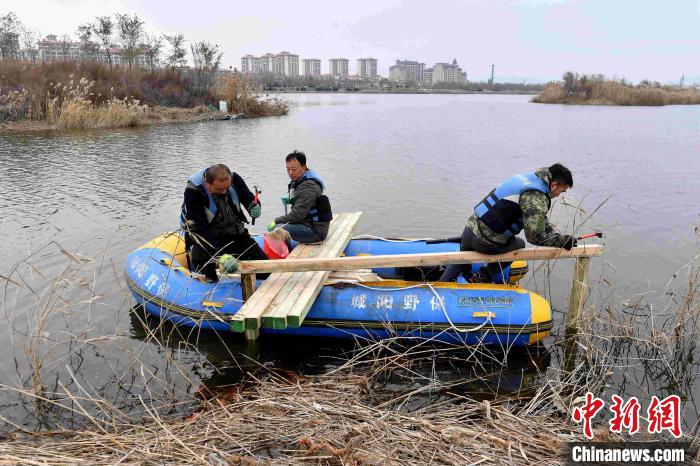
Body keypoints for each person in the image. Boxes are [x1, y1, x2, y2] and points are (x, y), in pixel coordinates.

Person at [440, 163, 578, 283]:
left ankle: (440, 284)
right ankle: (482, 277)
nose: (560, 195)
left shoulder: (527, 178)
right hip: (485, 242)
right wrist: (562, 242)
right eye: (562, 190)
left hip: (469, 232)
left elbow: (537, 217)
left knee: (463, 258)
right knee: (519, 244)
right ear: (554, 185)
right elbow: (534, 236)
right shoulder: (536, 195)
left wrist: (555, 235)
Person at [180, 164, 267, 281]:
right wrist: (219, 255)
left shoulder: (234, 179)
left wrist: (254, 207)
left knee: (265, 270)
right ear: (207, 183)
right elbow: (200, 229)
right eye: (219, 189)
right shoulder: (193, 192)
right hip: (208, 239)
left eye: (227, 187)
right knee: (210, 275)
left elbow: (249, 198)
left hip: (235, 234)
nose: (224, 192)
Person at [267, 150, 332, 243]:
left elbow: (297, 215)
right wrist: (291, 200)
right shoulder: (302, 180)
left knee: (278, 229)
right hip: (307, 223)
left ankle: (285, 253)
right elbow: (303, 201)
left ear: (304, 167)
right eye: (288, 169)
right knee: (282, 224)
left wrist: (276, 221)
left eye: (294, 169)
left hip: (314, 230)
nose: (290, 173)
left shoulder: (308, 187)